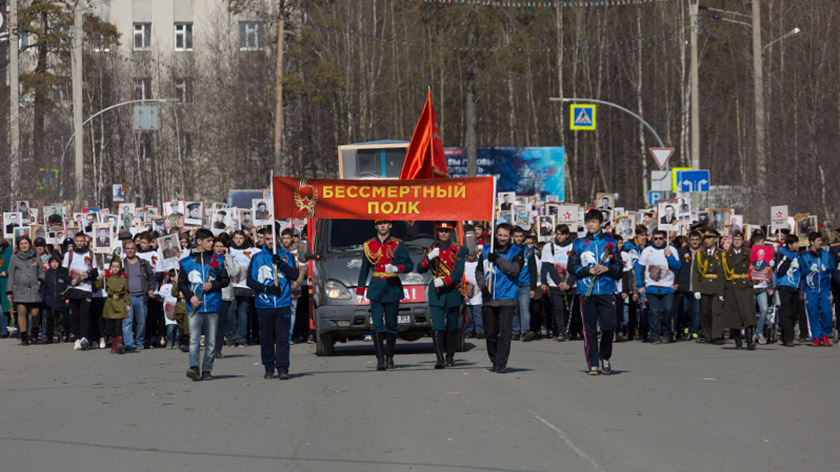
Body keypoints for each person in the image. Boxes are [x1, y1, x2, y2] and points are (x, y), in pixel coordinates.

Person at [568, 210, 623, 375]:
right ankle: (593, 363)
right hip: (586, 292)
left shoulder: (611, 243)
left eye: (594, 222)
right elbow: (571, 267)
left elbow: (620, 267)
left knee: (608, 326)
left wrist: (608, 268)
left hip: (606, 290)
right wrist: (587, 271)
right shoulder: (579, 244)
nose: (591, 225)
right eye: (588, 222)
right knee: (589, 329)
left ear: (600, 224)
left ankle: (605, 357)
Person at [355, 220, 414, 371]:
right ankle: (380, 359)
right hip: (376, 288)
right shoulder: (369, 245)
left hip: (392, 287)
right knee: (377, 326)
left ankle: (390, 356)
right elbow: (364, 268)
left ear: (390, 226)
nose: (382, 226)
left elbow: (409, 265)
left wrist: (397, 267)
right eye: (379, 223)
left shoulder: (398, 244)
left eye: (385, 223)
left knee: (392, 325)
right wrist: (360, 290)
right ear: (375, 226)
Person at [178, 228, 230, 381]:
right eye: (209, 241)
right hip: (194, 306)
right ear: (199, 242)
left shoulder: (216, 259)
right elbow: (181, 283)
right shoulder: (187, 262)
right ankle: (194, 367)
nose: (212, 243)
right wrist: (191, 296)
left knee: (211, 341)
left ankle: (207, 369)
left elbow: (225, 280)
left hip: (213, 305)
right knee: (194, 338)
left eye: (212, 240)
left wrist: (213, 285)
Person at [246, 230, 298, 380]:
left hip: (283, 303)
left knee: (283, 337)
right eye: (267, 239)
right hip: (264, 304)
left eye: (272, 239)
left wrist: (281, 264)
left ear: (278, 240)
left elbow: (294, 275)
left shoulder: (287, 256)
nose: (270, 242)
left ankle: (283, 368)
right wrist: (266, 288)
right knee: (267, 337)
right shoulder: (257, 258)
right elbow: (250, 281)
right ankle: (269, 367)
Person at [416, 222, 466, 369]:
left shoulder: (458, 249)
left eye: (446, 231)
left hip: (452, 291)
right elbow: (419, 269)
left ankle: (450, 356)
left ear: (451, 232)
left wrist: (445, 282)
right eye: (441, 231)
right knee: (437, 326)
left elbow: (458, 271)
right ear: (437, 232)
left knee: (452, 326)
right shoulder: (431, 249)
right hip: (436, 293)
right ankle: (439, 358)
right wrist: (430, 257)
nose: (443, 234)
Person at [475, 223, 523, 374]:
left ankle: (501, 363)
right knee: (490, 332)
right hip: (489, 298)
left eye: (505, 236)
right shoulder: (486, 250)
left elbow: (514, 270)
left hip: (507, 298)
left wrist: (498, 259)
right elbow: (479, 271)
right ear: (495, 235)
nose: (502, 238)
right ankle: (494, 359)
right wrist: (483, 287)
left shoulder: (517, 251)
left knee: (504, 332)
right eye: (500, 235)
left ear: (510, 237)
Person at [637, 230, 680, 344]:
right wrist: (640, 285)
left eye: (661, 238)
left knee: (667, 310)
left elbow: (677, 266)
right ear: (652, 239)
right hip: (652, 286)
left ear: (664, 239)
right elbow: (640, 269)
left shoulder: (672, 250)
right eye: (656, 238)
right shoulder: (647, 251)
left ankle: (666, 332)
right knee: (654, 311)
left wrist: (669, 256)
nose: (658, 241)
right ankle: (655, 334)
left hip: (667, 287)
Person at [719, 232, 757, 350]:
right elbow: (722, 274)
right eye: (735, 239)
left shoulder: (749, 253)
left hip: (745, 286)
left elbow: (757, 266)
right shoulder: (726, 255)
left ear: (743, 241)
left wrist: (767, 265)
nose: (737, 242)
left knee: (748, 315)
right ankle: (738, 342)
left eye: (739, 240)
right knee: (734, 316)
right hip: (732, 286)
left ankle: (750, 341)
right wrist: (721, 292)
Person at [540, 224, 577, 342]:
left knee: (569, 310)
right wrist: (559, 282)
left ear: (567, 235)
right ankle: (561, 332)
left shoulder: (573, 247)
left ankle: (569, 330)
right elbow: (549, 267)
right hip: (555, 283)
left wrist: (569, 283)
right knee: (558, 308)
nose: (559, 237)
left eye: (562, 234)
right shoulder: (549, 247)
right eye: (558, 234)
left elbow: (576, 266)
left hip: (571, 282)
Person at [6, 237, 45, 345]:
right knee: (21, 311)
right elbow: (11, 274)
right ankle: (23, 336)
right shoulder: (15, 257)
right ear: (19, 246)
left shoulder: (36, 255)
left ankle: (34, 331)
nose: (24, 245)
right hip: (19, 289)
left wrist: (40, 280)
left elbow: (41, 270)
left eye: (26, 243)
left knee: (35, 312)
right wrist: (9, 291)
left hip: (34, 288)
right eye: (21, 244)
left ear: (29, 244)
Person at [799, 232, 835, 346]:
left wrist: (827, 268)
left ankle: (825, 333)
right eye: (818, 240)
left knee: (826, 311)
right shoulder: (804, 256)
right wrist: (809, 269)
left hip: (824, 289)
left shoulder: (826, 255)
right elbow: (801, 272)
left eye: (820, 240)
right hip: (811, 290)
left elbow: (832, 268)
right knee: (812, 312)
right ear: (811, 242)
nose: (820, 242)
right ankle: (816, 336)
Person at [691, 228, 726, 345]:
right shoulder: (700, 254)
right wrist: (696, 289)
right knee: (705, 312)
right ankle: (707, 335)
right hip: (704, 285)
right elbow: (696, 273)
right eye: (705, 238)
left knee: (716, 312)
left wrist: (723, 290)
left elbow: (724, 273)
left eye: (710, 238)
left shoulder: (722, 254)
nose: (707, 240)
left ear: (715, 239)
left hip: (717, 286)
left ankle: (716, 336)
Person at [121, 241, 156, 351]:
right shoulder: (122, 264)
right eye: (128, 248)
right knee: (127, 321)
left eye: (132, 248)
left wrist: (151, 289)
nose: (130, 250)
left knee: (142, 321)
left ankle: (140, 341)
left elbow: (151, 277)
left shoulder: (143, 263)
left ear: (135, 250)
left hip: (142, 296)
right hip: (127, 297)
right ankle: (128, 344)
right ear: (125, 250)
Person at [228, 230, 259, 347]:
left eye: (241, 238)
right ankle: (231, 337)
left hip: (245, 286)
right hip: (231, 286)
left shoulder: (252, 251)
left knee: (243, 312)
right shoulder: (229, 250)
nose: (238, 240)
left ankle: (242, 338)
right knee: (231, 312)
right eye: (236, 238)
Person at [213, 234, 241, 358]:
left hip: (225, 295)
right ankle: (211, 347)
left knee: (220, 323)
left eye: (221, 246)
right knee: (211, 323)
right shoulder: (210, 259)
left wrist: (227, 257)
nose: (219, 249)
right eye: (217, 246)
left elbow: (235, 272)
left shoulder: (228, 259)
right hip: (212, 294)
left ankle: (217, 349)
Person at [94, 257, 130, 354]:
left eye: (117, 267)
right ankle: (114, 345)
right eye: (113, 267)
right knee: (110, 325)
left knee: (118, 324)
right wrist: (101, 277)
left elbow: (126, 293)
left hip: (119, 302)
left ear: (120, 268)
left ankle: (119, 344)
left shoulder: (123, 280)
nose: (115, 269)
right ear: (110, 267)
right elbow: (97, 286)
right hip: (109, 302)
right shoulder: (107, 278)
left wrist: (128, 304)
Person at [774, 234, 801, 346]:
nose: (798, 245)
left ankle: (784, 336)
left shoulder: (798, 256)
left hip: (795, 287)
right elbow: (779, 269)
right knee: (787, 312)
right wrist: (789, 261)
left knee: (794, 313)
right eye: (796, 243)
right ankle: (789, 338)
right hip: (785, 286)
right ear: (790, 245)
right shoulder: (783, 254)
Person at [622, 225, 648, 341]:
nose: (644, 238)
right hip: (632, 279)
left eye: (645, 235)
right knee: (631, 307)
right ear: (637, 235)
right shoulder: (629, 248)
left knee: (643, 306)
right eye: (642, 235)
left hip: (644, 281)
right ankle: (630, 331)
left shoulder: (648, 248)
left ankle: (643, 331)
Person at [510, 226, 537, 341]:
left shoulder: (529, 251)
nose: (519, 239)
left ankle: (525, 331)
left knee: (524, 307)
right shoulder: (509, 250)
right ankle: (515, 331)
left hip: (525, 284)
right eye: (516, 236)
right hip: (512, 284)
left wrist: (533, 287)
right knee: (513, 309)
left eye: (521, 236)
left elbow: (533, 269)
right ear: (512, 237)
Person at [675, 230, 702, 340]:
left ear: (700, 241)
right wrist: (676, 282)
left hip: (697, 287)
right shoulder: (682, 252)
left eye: (697, 240)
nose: (695, 242)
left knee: (696, 311)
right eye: (692, 240)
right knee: (684, 310)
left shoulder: (703, 252)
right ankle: (685, 327)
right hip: (685, 285)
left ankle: (695, 331)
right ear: (689, 241)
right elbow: (677, 269)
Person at [40, 255, 71, 344]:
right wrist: (45, 298)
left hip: (60, 299)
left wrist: (66, 296)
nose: (54, 264)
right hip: (50, 301)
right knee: (50, 319)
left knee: (61, 320)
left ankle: (61, 336)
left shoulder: (62, 273)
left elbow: (67, 286)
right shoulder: (47, 274)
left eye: (56, 262)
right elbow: (44, 288)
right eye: (52, 262)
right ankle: (49, 337)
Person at [463, 247, 483, 339]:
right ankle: (468, 330)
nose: (471, 257)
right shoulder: (464, 263)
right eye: (469, 255)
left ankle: (479, 329)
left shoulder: (479, 262)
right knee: (468, 313)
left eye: (472, 255)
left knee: (477, 312)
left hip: (477, 290)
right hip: (466, 289)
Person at [0, 239, 12, 338]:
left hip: (5, 281)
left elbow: (12, 263)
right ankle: (3, 329)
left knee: (6, 307)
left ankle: (5, 329)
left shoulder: (8, 250)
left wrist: (7, 271)